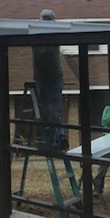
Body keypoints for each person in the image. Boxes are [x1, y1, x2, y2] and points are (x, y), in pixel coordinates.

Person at [32, 8, 68, 150]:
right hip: (42, 78)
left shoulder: (54, 34)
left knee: (53, 112)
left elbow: (46, 54)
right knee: (45, 112)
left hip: (53, 78)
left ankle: (58, 140)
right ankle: (54, 139)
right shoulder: (34, 33)